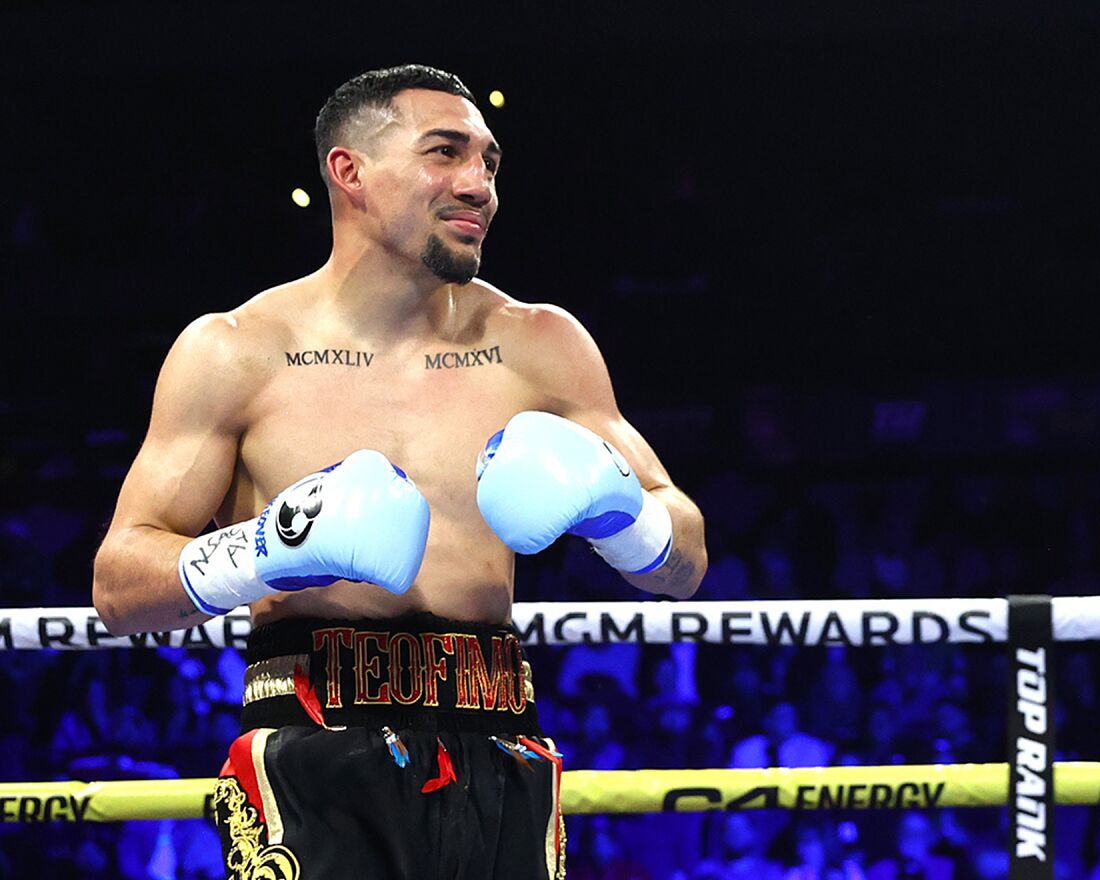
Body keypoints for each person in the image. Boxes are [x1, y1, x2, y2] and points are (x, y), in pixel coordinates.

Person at [92, 63, 707, 880]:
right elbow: (120, 589)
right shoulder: (236, 352)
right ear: (349, 172)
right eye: (445, 153)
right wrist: (270, 551)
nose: (478, 185)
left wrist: (625, 516)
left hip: (501, 751)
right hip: (314, 760)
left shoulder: (542, 345)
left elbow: (686, 565)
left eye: (489, 162)